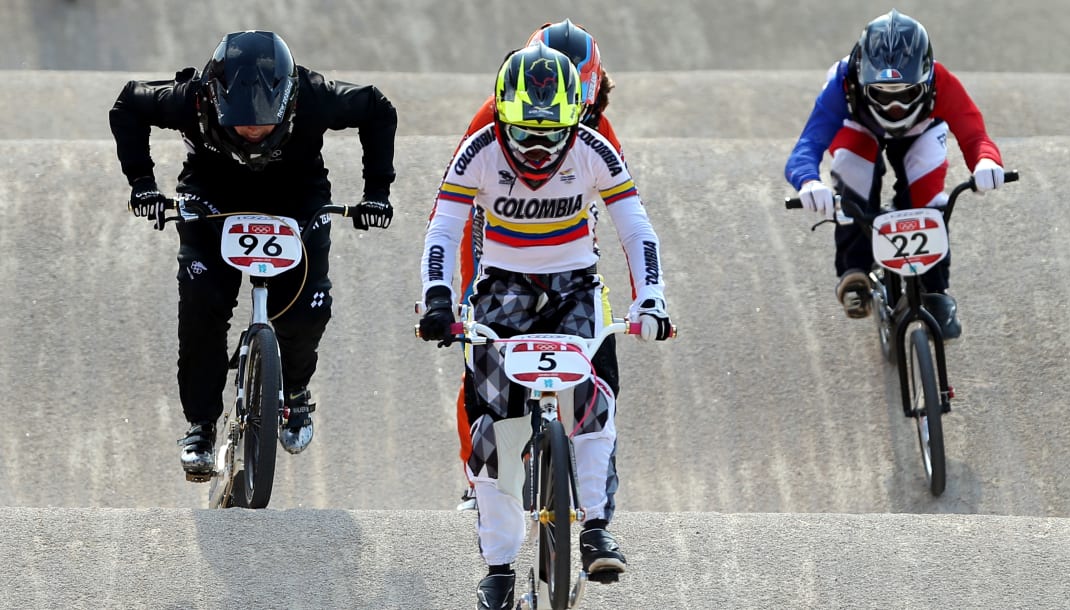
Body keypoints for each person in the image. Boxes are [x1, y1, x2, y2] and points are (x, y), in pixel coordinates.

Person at [417, 43, 673, 610]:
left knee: (595, 404)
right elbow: (441, 229)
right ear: (501, 115)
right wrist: (437, 300)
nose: (536, 149)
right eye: (524, 134)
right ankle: (501, 567)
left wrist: (651, 299)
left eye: (551, 134)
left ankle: (597, 527)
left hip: (577, 285)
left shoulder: (594, 149)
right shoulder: (479, 150)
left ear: (575, 117)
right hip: (502, 290)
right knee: (494, 436)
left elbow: (636, 229)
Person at [109, 30, 397, 479]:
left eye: (263, 125)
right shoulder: (190, 98)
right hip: (211, 196)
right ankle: (201, 425)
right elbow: (128, 104)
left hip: (297, 197)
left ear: (288, 105)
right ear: (215, 104)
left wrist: (376, 192)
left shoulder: (316, 96)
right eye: (242, 125)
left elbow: (378, 109)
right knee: (201, 305)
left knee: (306, 309)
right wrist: (142, 185)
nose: (253, 134)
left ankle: (296, 391)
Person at [448, 18, 624, 509]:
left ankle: (592, 460)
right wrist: (466, 289)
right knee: (481, 355)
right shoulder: (493, 118)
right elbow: (462, 214)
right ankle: (479, 476)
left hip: (566, 246)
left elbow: (611, 205)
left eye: (586, 106)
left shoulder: (596, 124)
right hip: (497, 237)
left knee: (598, 346)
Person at [784, 9, 1006, 339]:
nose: (894, 107)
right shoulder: (842, 83)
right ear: (861, 80)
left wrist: (986, 162)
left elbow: (974, 136)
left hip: (922, 131)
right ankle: (854, 270)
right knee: (851, 173)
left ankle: (935, 291)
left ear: (927, 79)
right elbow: (807, 145)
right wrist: (809, 181)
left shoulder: (943, 81)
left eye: (906, 93)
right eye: (882, 94)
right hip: (858, 127)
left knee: (929, 195)